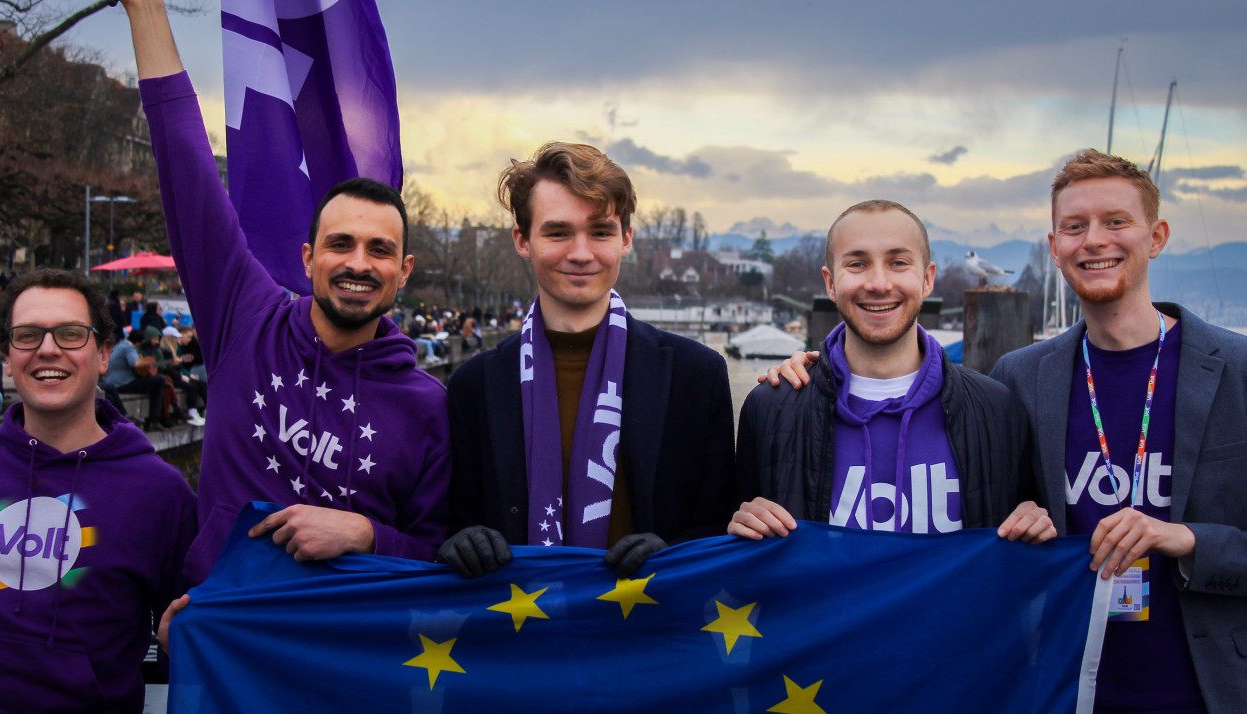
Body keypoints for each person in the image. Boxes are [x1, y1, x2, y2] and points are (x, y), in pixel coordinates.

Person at [122, 0, 449, 591]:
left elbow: (439, 556)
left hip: (343, 657)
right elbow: (184, 162)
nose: (357, 263)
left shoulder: (428, 405)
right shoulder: (243, 319)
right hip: (228, 644)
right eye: (340, 243)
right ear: (307, 258)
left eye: (379, 251)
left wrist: (364, 534)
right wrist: (144, 11)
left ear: (403, 273)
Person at [991, 150, 1247, 712]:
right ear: (1055, 247)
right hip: (1067, 686)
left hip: (1210, 689)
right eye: (1074, 227)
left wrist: (1188, 540)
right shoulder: (1020, 376)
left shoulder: (1238, 368)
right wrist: (821, 369)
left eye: (1116, 222)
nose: (1093, 241)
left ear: (1155, 237)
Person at [0, 268, 196, 712]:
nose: (48, 350)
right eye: (27, 335)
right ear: (8, 358)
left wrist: (181, 644)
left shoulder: (161, 494)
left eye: (70, 334)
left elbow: (185, 636)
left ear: (104, 353)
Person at [440, 143, 737, 579]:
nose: (581, 253)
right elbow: (452, 523)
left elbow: (721, 523)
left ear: (626, 240)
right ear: (523, 241)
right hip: (522, 633)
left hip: (649, 628)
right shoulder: (473, 387)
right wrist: (459, 543)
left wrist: (675, 551)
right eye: (558, 233)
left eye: (600, 232)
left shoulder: (696, 375)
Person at [728, 200, 1052, 545]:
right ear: (830, 282)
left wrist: (1036, 531)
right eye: (857, 263)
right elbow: (734, 572)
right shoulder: (770, 410)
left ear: (927, 279)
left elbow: (1018, 569)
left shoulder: (996, 410)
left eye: (898, 263)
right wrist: (738, 531)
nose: (879, 283)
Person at [103, 329, 168, 430]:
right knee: (160, 380)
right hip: (123, 383)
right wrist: (148, 362)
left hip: (113, 381)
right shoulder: (129, 347)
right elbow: (135, 364)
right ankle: (154, 420)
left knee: (156, 381)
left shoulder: (121, 344)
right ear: (138, 342)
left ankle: (155, 419)